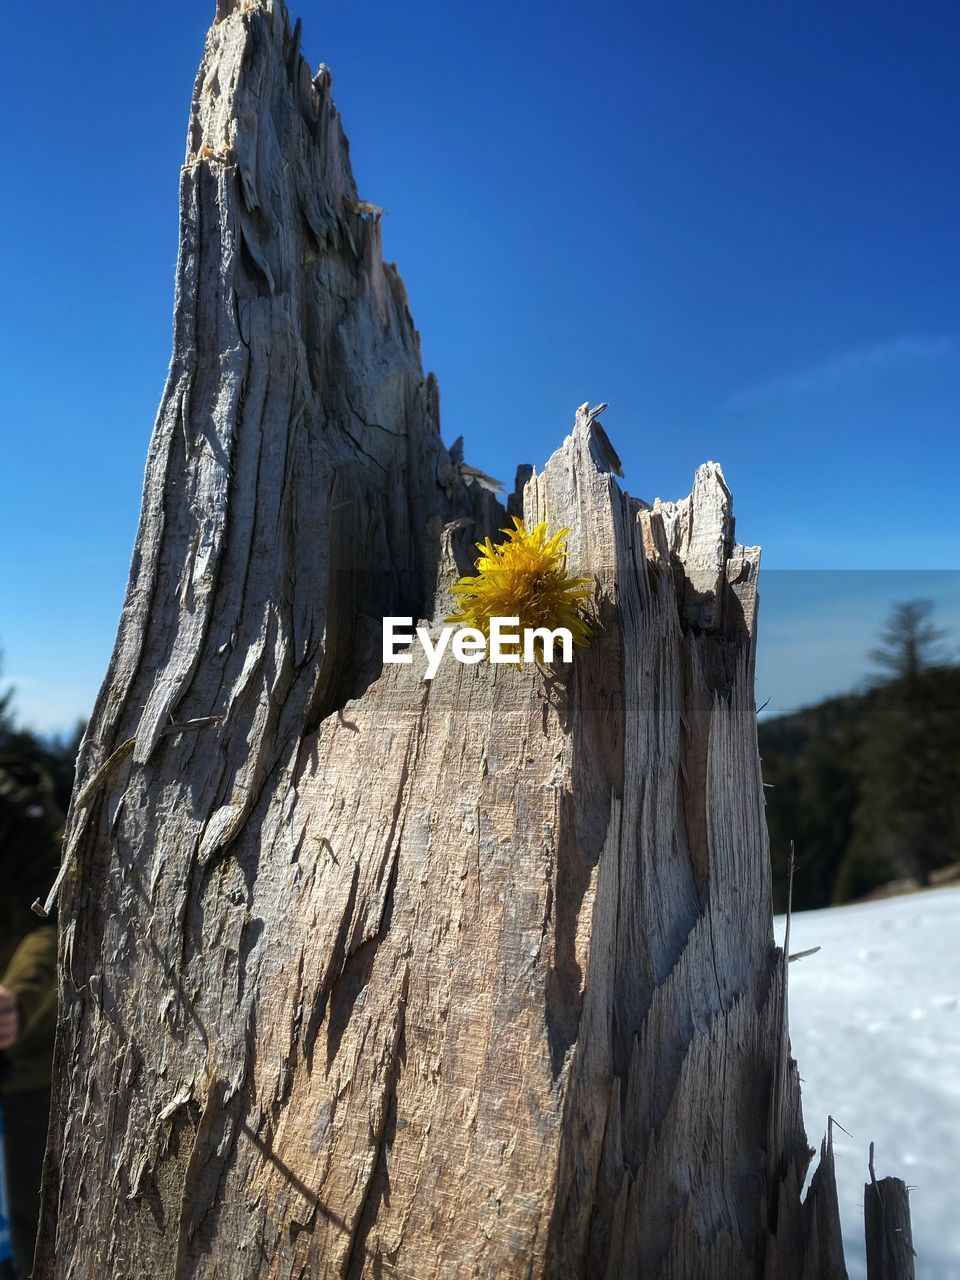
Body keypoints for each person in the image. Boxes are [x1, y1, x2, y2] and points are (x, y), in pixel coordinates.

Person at [0, 757, 63, 1277]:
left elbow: (55, 915)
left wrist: (14, 999)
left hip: (24, 1066)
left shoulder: (21, 813)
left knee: (36, 1222)